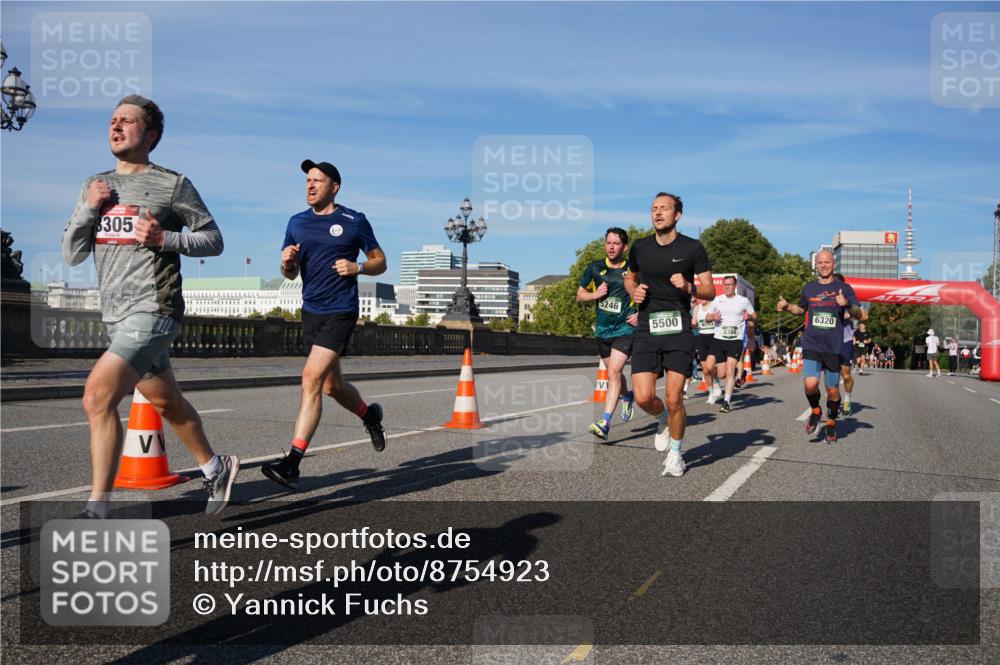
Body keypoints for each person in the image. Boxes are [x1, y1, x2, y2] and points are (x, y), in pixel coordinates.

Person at [61, 95, 239, 518]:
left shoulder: (172, 184)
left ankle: (96, 510)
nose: (116, 126)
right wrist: (89, 208)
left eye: (127, 121)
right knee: (167, 403)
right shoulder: (95, 185)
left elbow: (213, 240)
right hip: (116, 315)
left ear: (152, 135)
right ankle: (216, 467)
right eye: (112, 120)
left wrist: (166, 239)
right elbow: (71, 254)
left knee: (96, 397)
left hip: (155, 308)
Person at [262, 160, 387, 489]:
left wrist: (357, 267)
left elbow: (380, 261)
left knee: (310, 379)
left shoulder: (353, 220)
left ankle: (292, 463)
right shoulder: (296, 222)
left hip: (340, 311)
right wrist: (287, 263)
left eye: (317, 180)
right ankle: (369, 415)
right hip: (311, 311)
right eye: (307, 181)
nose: (310, 185)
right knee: (331, 386)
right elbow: (289, 272)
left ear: (335, 186)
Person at [624, 192, 714, 477]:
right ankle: (661, 417)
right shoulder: (640, 247)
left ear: (677, 215)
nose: (657, 213)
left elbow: (710, 291)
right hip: (648, 326)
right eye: (653, 208)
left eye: (664, 208)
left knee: (676, 398)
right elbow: (630, 277)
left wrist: (689, 287)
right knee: (642, 397)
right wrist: (632, 291)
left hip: (679, 328)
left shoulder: (693, 248)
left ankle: (676, 454)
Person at [776, 250, 862, 444]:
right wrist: (787, 306)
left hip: (833, 348)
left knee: (832, 391)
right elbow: (801, 309)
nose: (824, 265)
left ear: (833, 264)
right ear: (816, 264)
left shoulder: (844, 288)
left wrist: (847, 304)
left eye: (827, 262)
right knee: (810, 384)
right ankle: (816, 410)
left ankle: (831, 422)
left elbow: (860, 315)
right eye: (820, 262)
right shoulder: (809, 288)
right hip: (812, 343)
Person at [577, 228, 637, 440]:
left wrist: (639, 314)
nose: (611, 247)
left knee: (613, 372)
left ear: (625, 247)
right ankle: (627, 396)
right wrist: (596, 294)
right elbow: (580, 295)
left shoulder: (633, 268)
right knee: (616, 374)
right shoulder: (595, 267)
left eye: (616, 243)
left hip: (625, 329)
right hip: (603, 330)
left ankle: (605, 421)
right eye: (608, 243)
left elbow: (647, 293)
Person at [704, 275, 755, 413]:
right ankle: (716, 383)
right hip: (719, 339)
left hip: (735, 340)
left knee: (730, 371)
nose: (726, 287)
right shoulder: (717, 300)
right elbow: (707, 316)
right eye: (724, 284)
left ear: (735, 286)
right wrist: (712, 317)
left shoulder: (743, 301)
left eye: (729, 284)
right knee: (712, 370)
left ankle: (726, 402)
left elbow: (755, 315)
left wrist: (749, 316)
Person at [691, 297, 720, 404]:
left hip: (714, 337)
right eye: (700, 296)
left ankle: (716, 381)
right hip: (701, 338)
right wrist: (693, 323)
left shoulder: (714, 306)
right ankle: (711, 392)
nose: (702, 298)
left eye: (704, 296)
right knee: (705, 370)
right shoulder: (696, 308)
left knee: (710, 366)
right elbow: (694, 321)